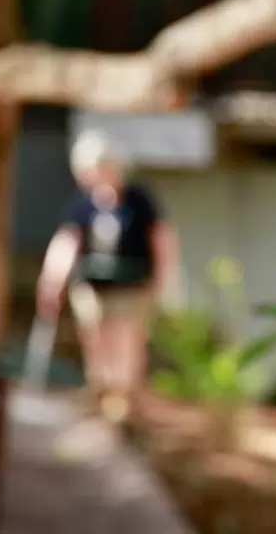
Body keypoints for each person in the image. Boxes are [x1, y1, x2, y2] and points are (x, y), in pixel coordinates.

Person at [35, 129, 177, 425]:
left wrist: (164, 278)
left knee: (127, 340)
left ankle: (123, 400)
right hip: (93, 287)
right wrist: (52, 280)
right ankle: (100, 393)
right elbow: (67, 242)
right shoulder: (82, 205)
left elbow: (161, 239)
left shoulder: (138, 199)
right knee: (97, 340)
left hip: (132, 285)